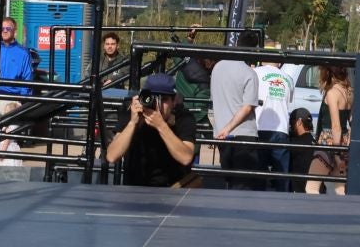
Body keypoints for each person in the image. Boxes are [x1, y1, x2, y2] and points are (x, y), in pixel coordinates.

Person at [105, 73, 198, 187]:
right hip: (136, 189)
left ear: (174, 101)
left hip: (172, 189)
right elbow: (112, 156)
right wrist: (133, 123)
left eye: (163, 99)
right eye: (152, 98)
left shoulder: (183, 118)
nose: (157, 105)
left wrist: (161, 126)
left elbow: (186, 158)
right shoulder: (133, 114)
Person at [207, 32, 263, 189]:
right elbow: (247, 107)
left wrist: (222, 129)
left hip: (221, 136)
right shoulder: (249, 73)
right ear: (254, 49)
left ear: (237, 43)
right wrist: (228, 128)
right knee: (243, 186)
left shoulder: (217, 67)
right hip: (244, 135)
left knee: (229, 181)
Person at [0, 16, 36, 161]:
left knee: (7, 143)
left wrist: (21, 101)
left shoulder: (23, 53)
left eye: (8, 28)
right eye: (2, 28)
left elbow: (27, 78)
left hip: (12, 100)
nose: (4, 31)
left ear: (14, 31)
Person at [306, 63, 354, 195]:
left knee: (311, 188)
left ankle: (315, 215)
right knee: (340, 190)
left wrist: (336, 154)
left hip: (328, 143)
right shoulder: (349, 91)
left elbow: (335, 125)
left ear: (327, 72)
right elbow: (352, 122)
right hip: (343, 142)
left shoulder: (332, 93)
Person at [253, 51, 296, 192]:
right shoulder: (288, 78)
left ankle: (256, 204)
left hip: (260, 127)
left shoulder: (255, 73)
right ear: (278, 62)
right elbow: (288, 101)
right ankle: (282, 205)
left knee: (259, 173)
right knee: (282, 175)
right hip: (281, 129)